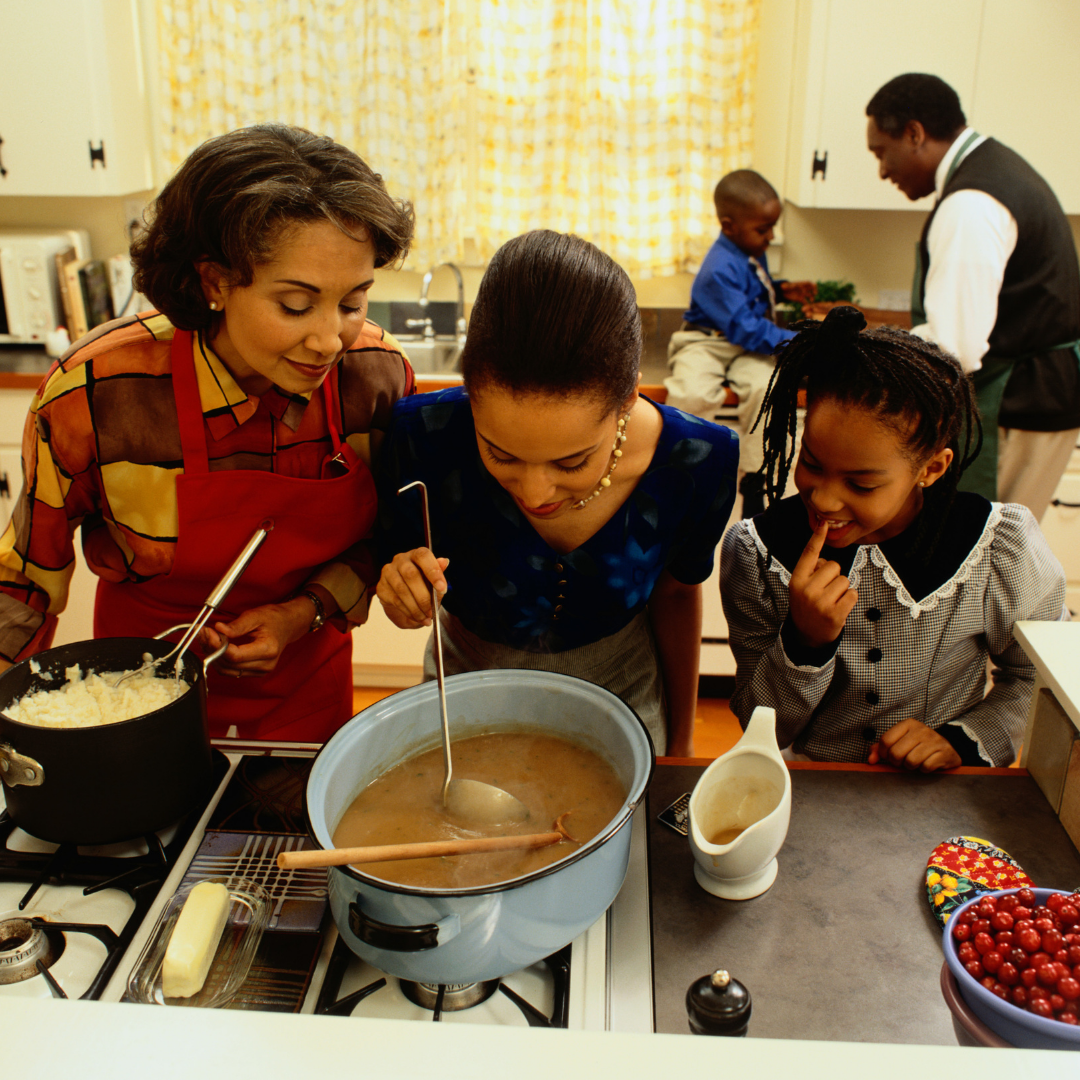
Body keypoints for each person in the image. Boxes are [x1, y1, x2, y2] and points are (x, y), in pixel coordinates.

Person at [0, 124, 415, 743]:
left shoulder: (374, 379)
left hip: (304, 702)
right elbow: (26, 579)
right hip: (128, 705)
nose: (331, 339)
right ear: (215, 282)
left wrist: (303, 614)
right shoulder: (94, 392)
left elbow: (383, 539)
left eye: (353, 303)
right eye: (297, 306)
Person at [376, 230, 739, 756]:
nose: (534, 491)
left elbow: (678, 594)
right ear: (470, 396)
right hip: (464, 692)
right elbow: (398, 563)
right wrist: (400, 585)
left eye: (572, 462)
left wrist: (678, 748)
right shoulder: (422, 436)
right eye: (500, 454)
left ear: (626, 400)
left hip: (625, 696)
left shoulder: (697, 460)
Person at [721, 306, 1067, 771]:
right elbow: (760, 723)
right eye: (812, 463)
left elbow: (1035, 679)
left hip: (948, 793)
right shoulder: (757, 551)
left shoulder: (998, 545)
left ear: (931, 469)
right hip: (817, 788)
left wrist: (964, 741)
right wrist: (805, 641)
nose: (823, 500)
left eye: (861, 484)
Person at [866, 73, 1080, 521]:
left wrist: (875, 362)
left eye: (881, 152)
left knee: (990, 557)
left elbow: (954, 347)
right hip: (1036, 394)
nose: (883, 170)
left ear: (915, 133)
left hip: (1015, 404)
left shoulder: (972, 202)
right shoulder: (995, 170)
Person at [664, 169, 814, 516]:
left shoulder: (747, 248)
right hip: (705, 342)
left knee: (767, 388)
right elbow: (746, 328)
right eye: (763, 230)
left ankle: (755, 479)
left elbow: (750, 290)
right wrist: (798, 343)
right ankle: (681, 477)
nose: (770, 237)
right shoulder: (717, 268)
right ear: (729, 226)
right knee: (692, 394)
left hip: (743, 344)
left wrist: (781, 287)